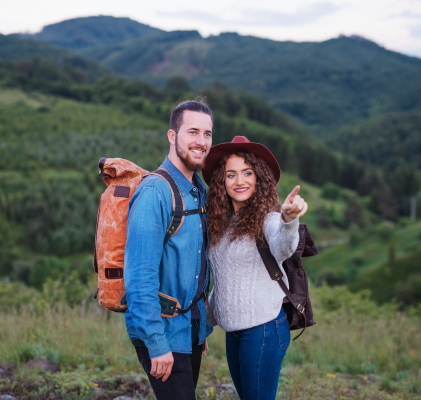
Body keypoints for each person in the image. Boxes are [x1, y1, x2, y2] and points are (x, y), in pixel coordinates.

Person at [202, 136, 308, 400]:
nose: (240, 181)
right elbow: (223, 283)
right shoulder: (221, 226)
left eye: (247, 173)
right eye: (231, 174)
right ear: (221, 182)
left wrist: (288, 219)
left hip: (263, 330)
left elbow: (283, 245)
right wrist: (203, 325)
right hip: (234, 333)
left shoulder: (268, 220)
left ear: (259, 178)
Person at [124, 99, 214, 400]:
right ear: (172, 136)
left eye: (207, 134)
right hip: (162, 331)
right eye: (193, 132)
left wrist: (199, 330)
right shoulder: (154, 193)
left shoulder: (198, 190)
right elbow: (139, 278)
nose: (201, 142)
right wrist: (156, 343)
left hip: (189, 328)